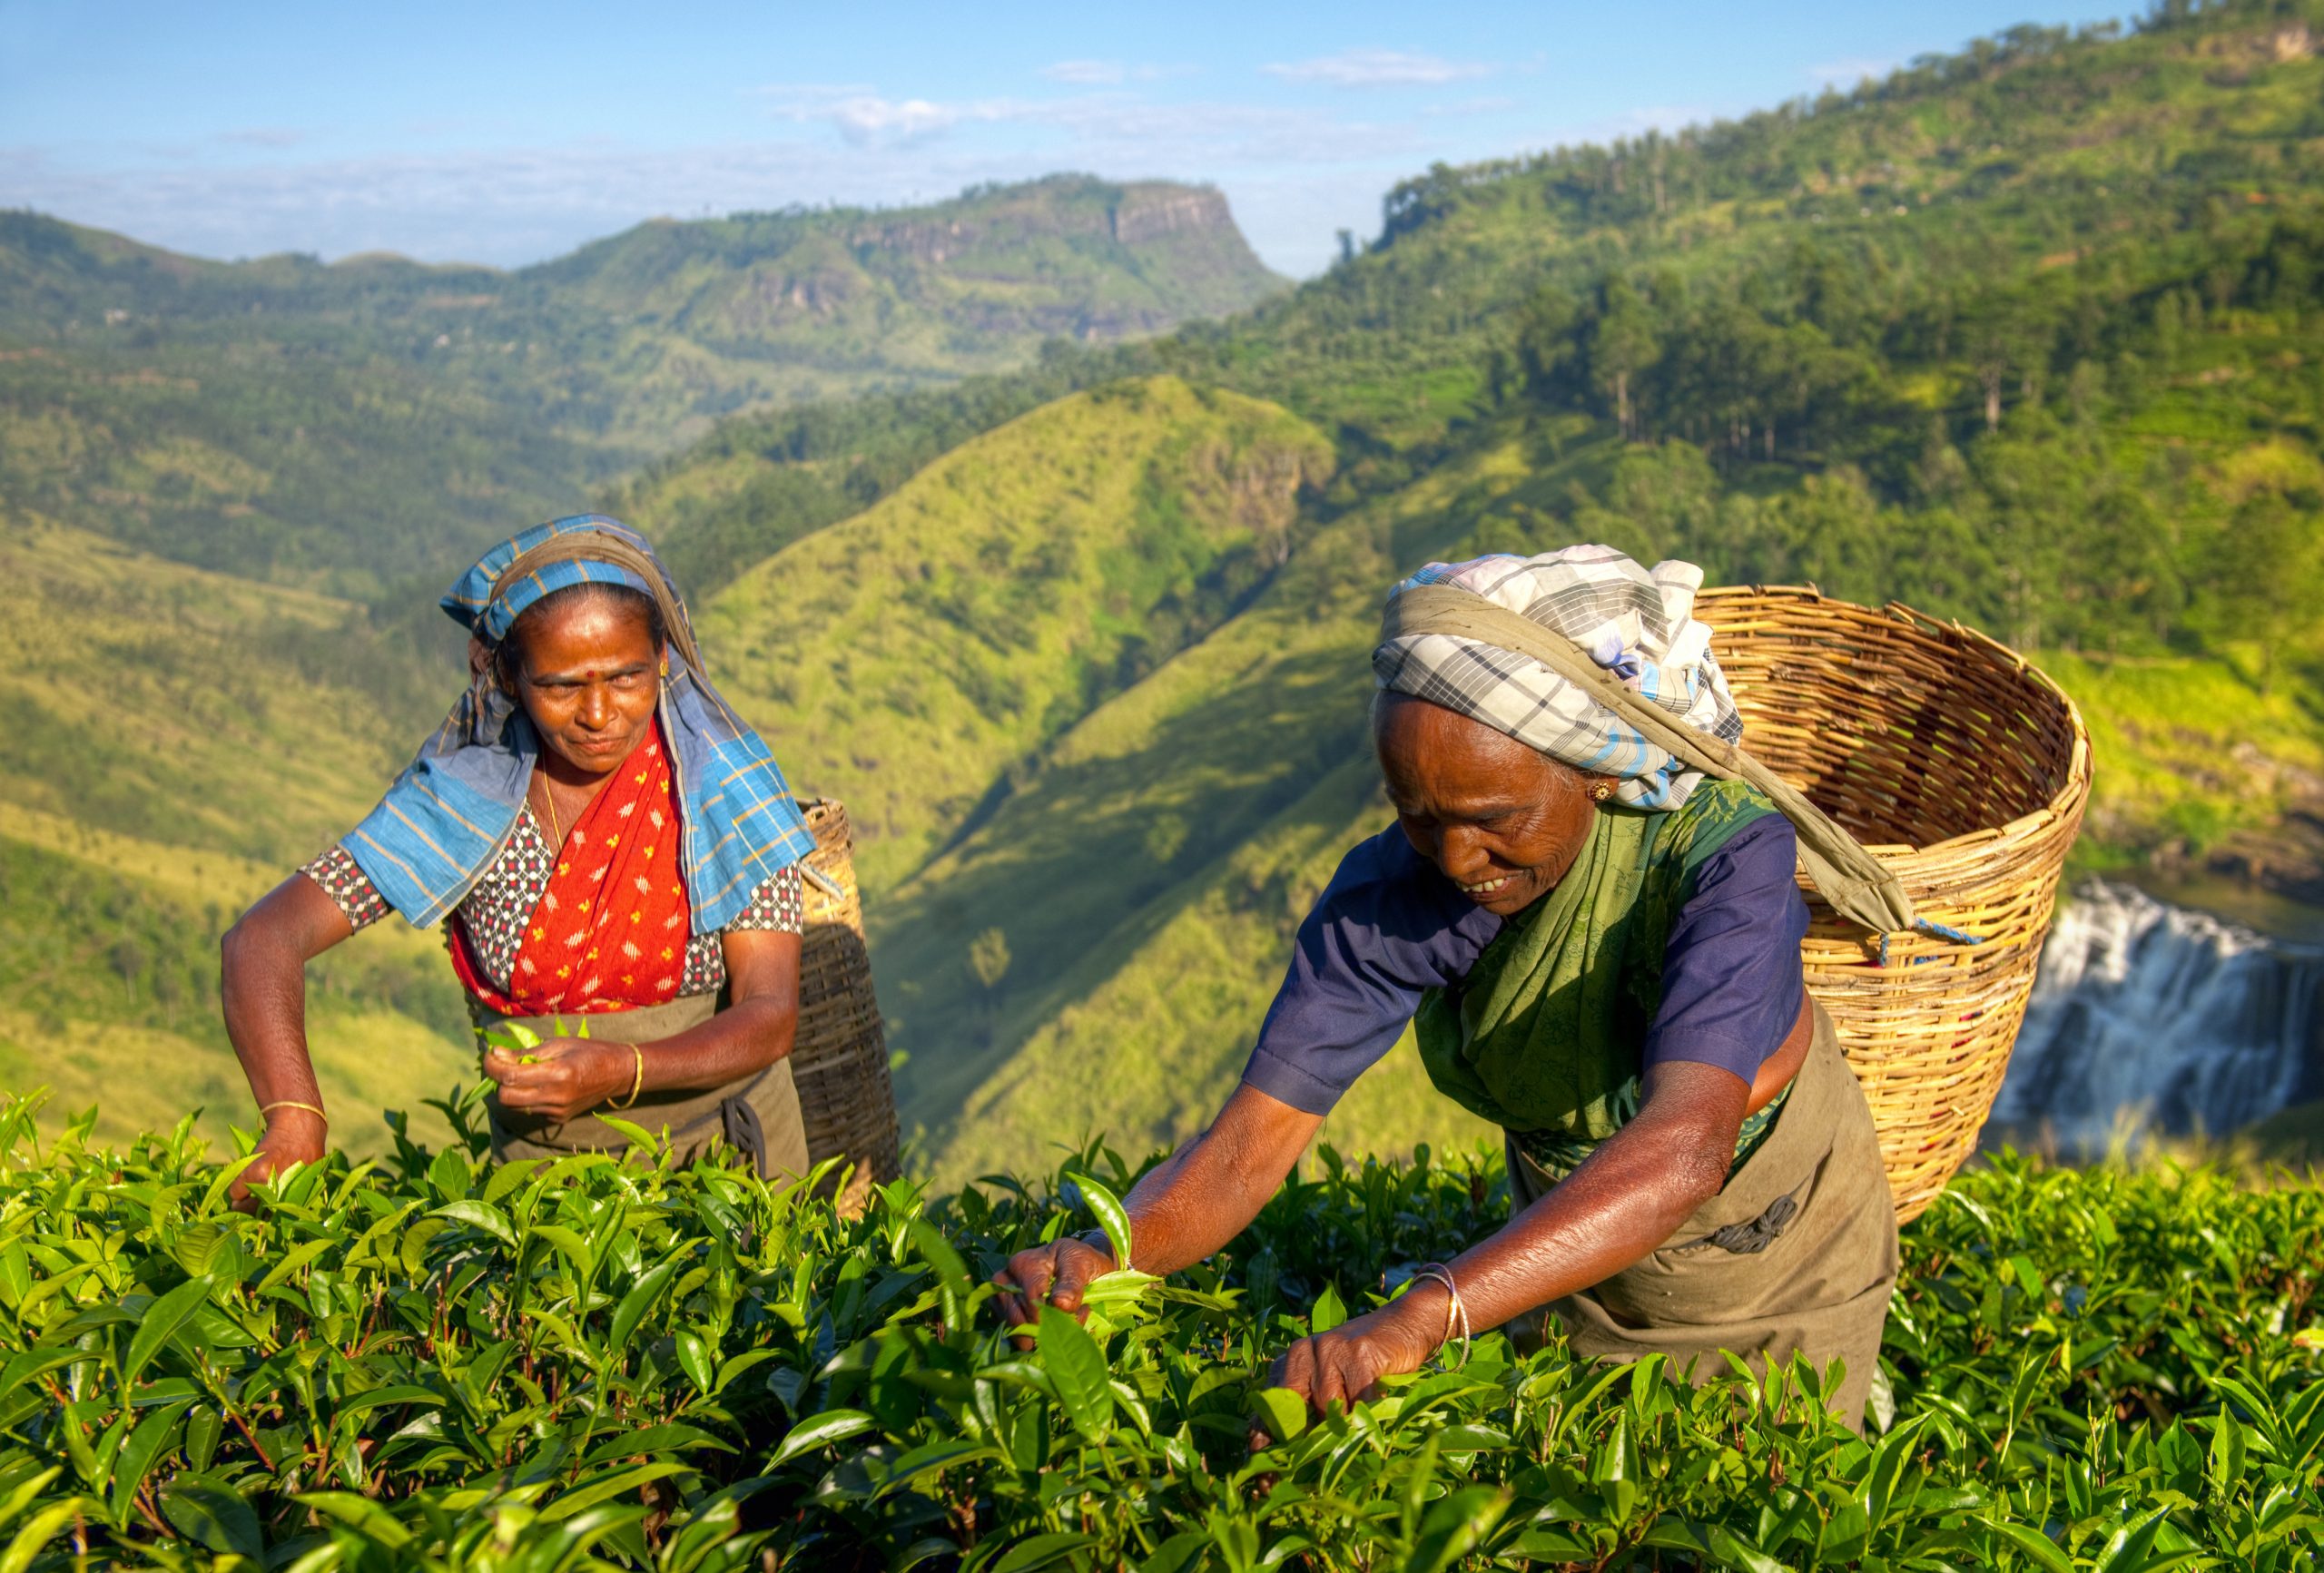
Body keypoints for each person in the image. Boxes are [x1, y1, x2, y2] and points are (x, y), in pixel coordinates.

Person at [997, 546, 1901, 1428]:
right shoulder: (1395, 892)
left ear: (1590, 764)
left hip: (1778, 1236)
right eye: (1417, 816)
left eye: (1492, 819)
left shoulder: (1723, 857)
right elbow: (1246, 1148)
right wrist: (1104, 1254)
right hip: (1573, 1233)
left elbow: (1682, 1148)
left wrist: (1423, 1313)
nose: (1459, 858)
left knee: (1781, 1467)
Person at [221, 516, 821, 1196]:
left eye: (625, 677)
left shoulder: (722, 786)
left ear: (661, 656)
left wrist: (622, 1068)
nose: (599, 713)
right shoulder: (467, 800)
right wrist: (295, 1118)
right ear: (508, 674)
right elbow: (262, 939)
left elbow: (770, 1015)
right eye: (562, 686)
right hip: (545, 1191)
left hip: (733, 1164)